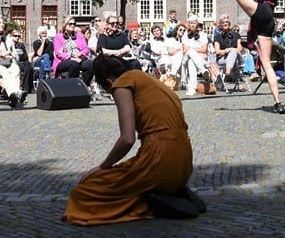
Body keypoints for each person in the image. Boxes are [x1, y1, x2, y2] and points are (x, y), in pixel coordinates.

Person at [63, 54, 198, 225]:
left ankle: (147, 203)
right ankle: (169, 191)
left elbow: (127, 139)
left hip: (160, 160)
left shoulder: (122, 84)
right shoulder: (151, 80)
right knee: (127, 170)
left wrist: (102, 167)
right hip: (184, 164)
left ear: (109, 83)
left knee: (85, 190)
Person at [53, 18, 94, 84]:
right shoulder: (59, 37)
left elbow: (86, 49)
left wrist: (80, 54)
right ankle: (72, 85)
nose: (72, 25)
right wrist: (71, 58)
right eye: (70, 24)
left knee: (90, 64)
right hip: (64, 61)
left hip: (79, 59)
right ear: (65, 25)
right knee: (73, 64)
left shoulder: (79, 35)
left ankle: (84, 85)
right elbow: (58, 53)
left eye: (74, 24)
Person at [212, 15, 246, 92]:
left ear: (229, 23)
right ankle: (239, 84)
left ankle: (228, 71)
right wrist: (225, 51)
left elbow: (240, 49)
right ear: (220, 25)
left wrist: (231, 49)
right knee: (233, 59)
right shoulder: (217, 37)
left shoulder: (236, 35)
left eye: (227, 22)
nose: (225, 23)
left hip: (238, 57)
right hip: (223, 58)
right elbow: (217, 51)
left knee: (233, 52)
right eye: (223, 22)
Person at [180, 16, 211, 95]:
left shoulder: (203, 35)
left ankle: (192, 88)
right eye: (190, 23)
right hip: (186, 58)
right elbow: (185, 50)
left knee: (191, 61)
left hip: (198, 58)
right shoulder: (185, 36)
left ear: (197, 25)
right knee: (190, 52)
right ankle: (203, 70)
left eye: (194, 23)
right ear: (188, 25)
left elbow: (204, 50)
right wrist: (196, 51)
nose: (192, 25)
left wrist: (193, 51)